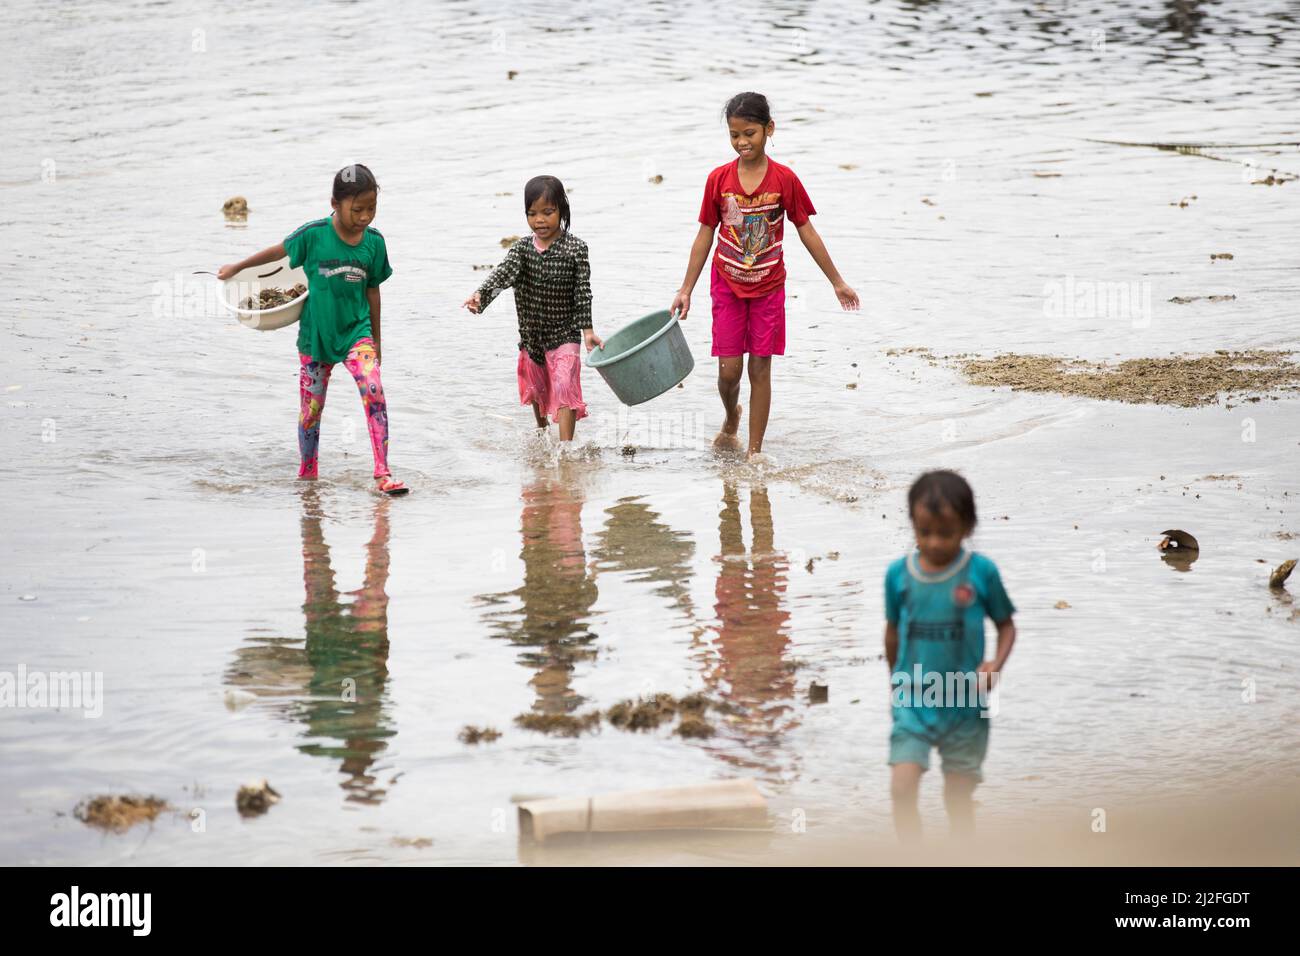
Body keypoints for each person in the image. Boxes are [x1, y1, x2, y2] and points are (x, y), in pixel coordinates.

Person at [670, 92, 859, 459]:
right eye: (734, 135)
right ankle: (730, 416)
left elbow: (807, 231)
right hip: (727, 283)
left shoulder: (784, 180)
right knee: (729, 372)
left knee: (760, 368)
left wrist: (836, 281)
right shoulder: (718, 180)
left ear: (769, 130)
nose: (742, 142)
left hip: (769, 287)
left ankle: (754, 454)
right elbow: (705, 234)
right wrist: (685, 288)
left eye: (750, 133)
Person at [217, 164, 407, 494]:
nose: (364, 217)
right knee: (311, 410)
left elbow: (373, 290)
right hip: (315, 338)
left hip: (355, 332)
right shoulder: (314, 235)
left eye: (371, 209)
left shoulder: (374, 243)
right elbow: (278, 250)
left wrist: (376, 339)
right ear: (334, 204)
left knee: (373, 388)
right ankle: (308, 473)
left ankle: (382, 473)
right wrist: (238, 266)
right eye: (357, 209)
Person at [884, 470, 1016, 841]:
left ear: (967, 527)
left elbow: (1007, 625)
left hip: (966, 703)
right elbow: (892, 632)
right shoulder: (898, 575)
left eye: (946, 533)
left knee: (957, 799)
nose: (935, 543)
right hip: (914, 698)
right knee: (901, 789)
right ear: (912, 525)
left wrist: (995, 666)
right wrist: (893, 684)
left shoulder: (981, 573)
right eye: (924, 533)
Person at [464, 175, 603, 442]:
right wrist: (481, 296)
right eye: (532, 213)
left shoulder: (576, 249)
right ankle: (541, 435)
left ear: (562, 210)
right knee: (537, 388)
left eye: (548, 212)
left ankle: (566, 451)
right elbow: (502, 275)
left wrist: (588, 331)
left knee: (565, 386)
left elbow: (582, 292)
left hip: (566, 333)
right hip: (532, 335)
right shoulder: (522, 250)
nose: (540, 220)